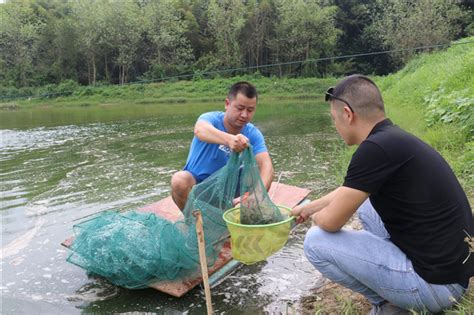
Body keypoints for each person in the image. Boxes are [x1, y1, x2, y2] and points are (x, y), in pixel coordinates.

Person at [291, 74, 473, 314]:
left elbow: (330, 222)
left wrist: (317, 217)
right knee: (366, 206)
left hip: (436, 288)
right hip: (454, 276)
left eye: (334, 119)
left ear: (347, 114)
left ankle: (388, 305)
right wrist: (310, 206)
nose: (334, 126)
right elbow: (349, 190)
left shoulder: (373, 149)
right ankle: (397, 291)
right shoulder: (391, 139)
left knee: (316, 241)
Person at [171, 81, 273, 210]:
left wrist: (258, 194)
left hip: (230, 191)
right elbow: (200, 130)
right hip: (200, 188)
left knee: (256, 171)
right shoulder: (210, 118)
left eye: (250, 110)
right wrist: (230, 140)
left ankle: (244, 205)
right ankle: (194, 221)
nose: (244, 115)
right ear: (227, 104)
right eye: (240, 108)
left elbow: (266, 166)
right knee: (179, 180)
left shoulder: (252, 133)